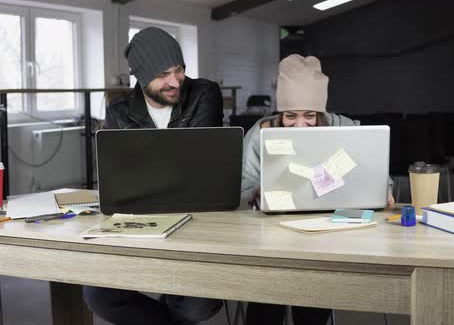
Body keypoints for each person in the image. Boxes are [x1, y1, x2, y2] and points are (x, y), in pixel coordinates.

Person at [83, 27, 223, 325]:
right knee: (98, 296)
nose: (175, 81)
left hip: (196, 218)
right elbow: (117, 178)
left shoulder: (204, 93)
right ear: (140, 76)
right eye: (163, 75)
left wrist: (147, 172)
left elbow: (197, 165)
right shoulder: (118, 112)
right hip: (141, 219)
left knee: (196, 306)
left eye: (179, 70)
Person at [241, 54, 395, 325]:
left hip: (327, 233)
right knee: (267, 294)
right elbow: (240, 190)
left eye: (309, 116)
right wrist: (259, 192)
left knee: (312, 293)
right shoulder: (260, 133)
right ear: (280, 113)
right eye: (290, 116)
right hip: (269, 239)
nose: (300, 124)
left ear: (320, 113)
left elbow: (378, 172)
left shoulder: (343, 128)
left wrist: (386, 189)